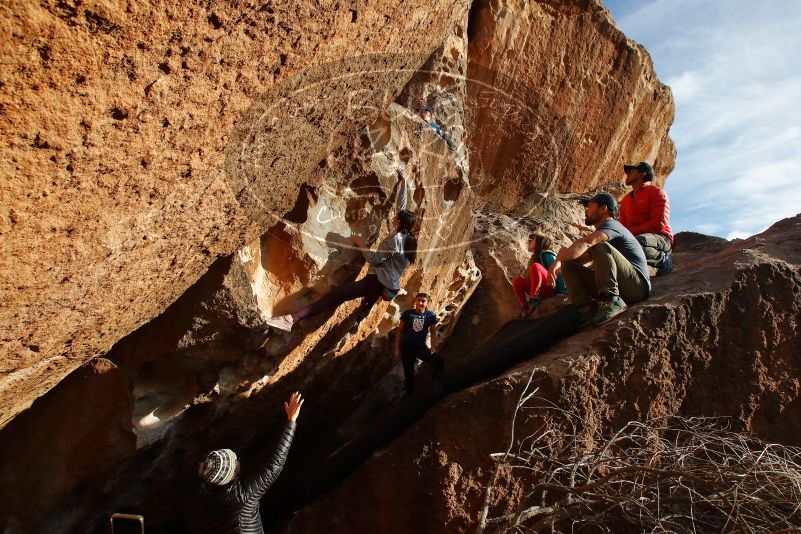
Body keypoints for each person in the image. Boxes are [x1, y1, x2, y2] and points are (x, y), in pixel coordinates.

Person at [263, 171, 416, 332]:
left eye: (397, 217)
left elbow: (375, 259)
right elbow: (402, 207)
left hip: (376, 282)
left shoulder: (395, 240)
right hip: (389, 285)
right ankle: (360, 317)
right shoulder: (410, 241)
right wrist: (403, 183)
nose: (394, 218)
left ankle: (290, 319)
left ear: (399, 221)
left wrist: (361, 243)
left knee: (335, 295)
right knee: (369, 301)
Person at [188, 392, 303, 534]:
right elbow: (274, 465)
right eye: (235, 460)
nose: (238, 459)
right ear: (233, 472)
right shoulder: (243, 496)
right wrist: (291, 421)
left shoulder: (200, 496)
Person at [546, 192, 650, 326]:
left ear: (603, 209)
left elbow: (589, 242)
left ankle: (612, 300)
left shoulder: (613, 226)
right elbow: (578, 258)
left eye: (589, 206)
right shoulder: (602, 232)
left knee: (598, 244)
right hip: (624, 285)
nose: (586, 210)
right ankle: (584, 308)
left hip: (637, 287)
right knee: (569, 264)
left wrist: (559, 258)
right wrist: (559, 262)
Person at [620, 161, 674, 275]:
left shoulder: (657, 193)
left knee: (636, 242)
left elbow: (659, 223)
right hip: (634, 236)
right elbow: (623, 226)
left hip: (661, 237)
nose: (627, 174)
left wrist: (630, 233)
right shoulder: (625, 201)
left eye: (631, 171)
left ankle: (663, 259)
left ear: (642, 174)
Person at [394, 292, 442, 394]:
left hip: (420, 348)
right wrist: (397, 349)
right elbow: (399, 331)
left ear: (427, 303)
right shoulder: (407, 314)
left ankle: (432, 380)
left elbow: (433, 332)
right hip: (406, 348)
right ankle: (410, 396)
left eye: (423, 301)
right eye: (418, 300)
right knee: (409, 375)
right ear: (415, 301)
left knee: (439, 360)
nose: (420, 303)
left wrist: (433, 348)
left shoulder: (430, 315)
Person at [511, 234, 568, 317]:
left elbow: (559, 272)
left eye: (533, 240)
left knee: (536, 266)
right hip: (541, 289)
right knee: (517, 281)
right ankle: (525, 308)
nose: (530, 241)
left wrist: (562, 291)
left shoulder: (548, 255)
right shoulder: (533, 258)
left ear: (538, 242)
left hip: (551, 288)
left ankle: (534, 298)